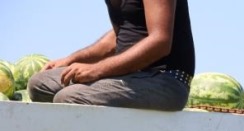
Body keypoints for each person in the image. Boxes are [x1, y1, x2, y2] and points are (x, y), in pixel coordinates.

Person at [29, 0, 195, 111]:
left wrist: (97, 70)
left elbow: (160, 42)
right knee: (40, 83)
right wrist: (70, 60)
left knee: (70, 98)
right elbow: (118, 37)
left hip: (166, 81)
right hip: (130, 76)